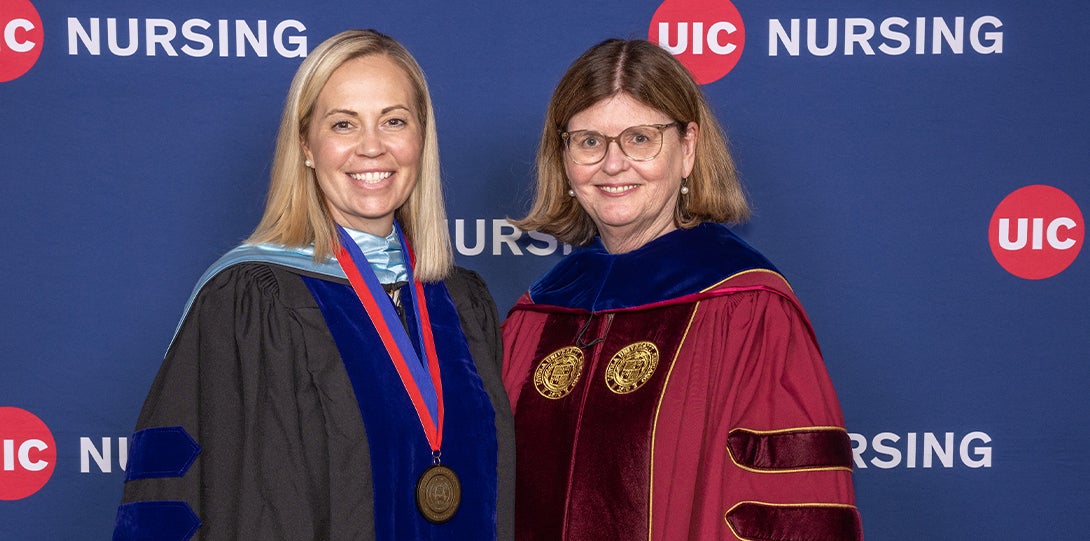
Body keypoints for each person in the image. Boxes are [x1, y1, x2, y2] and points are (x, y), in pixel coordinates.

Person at [112, 29, 513, 540]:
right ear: (306, 145)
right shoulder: (251, 301)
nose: (372, 147)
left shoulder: (461, 302)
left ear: (421, 138)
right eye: (343, 124)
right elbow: (217, 504)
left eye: (394, 121)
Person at [502, 38, 862, 540]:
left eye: (640, 139)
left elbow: (794, 516)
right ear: (564, 158)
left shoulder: (746, 310)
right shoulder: (538, 315)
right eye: (589, 141)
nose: (612, 164)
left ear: (687, 148)